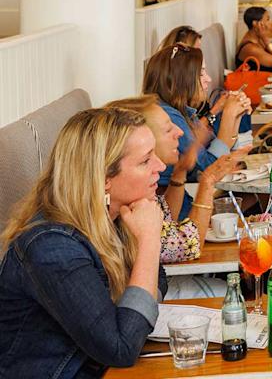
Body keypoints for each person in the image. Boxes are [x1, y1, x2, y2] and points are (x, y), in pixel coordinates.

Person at [0, 107, 167, 376]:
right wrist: (149, 241)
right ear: (104, 179)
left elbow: (157, 280)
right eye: (146, 160)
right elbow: (121, 348)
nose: (161, 166)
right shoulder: (51, 248)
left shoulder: (113, 218)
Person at [106, 96, 244, 264]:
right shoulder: (131, 201)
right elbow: (188, 246)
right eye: (167, 129)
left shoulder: (138, 190)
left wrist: (179, 173)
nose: (179, 132)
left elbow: (168, 218)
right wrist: (207, 182)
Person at [142, 44, 251, 217]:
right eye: (201, 73)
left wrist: (236, 114)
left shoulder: (182, 111)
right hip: (176, 211)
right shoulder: (168, 115)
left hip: (187, 200)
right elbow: (209, 168)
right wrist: (229, 114)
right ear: (180, 78)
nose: (208, 79)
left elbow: (222, 149)